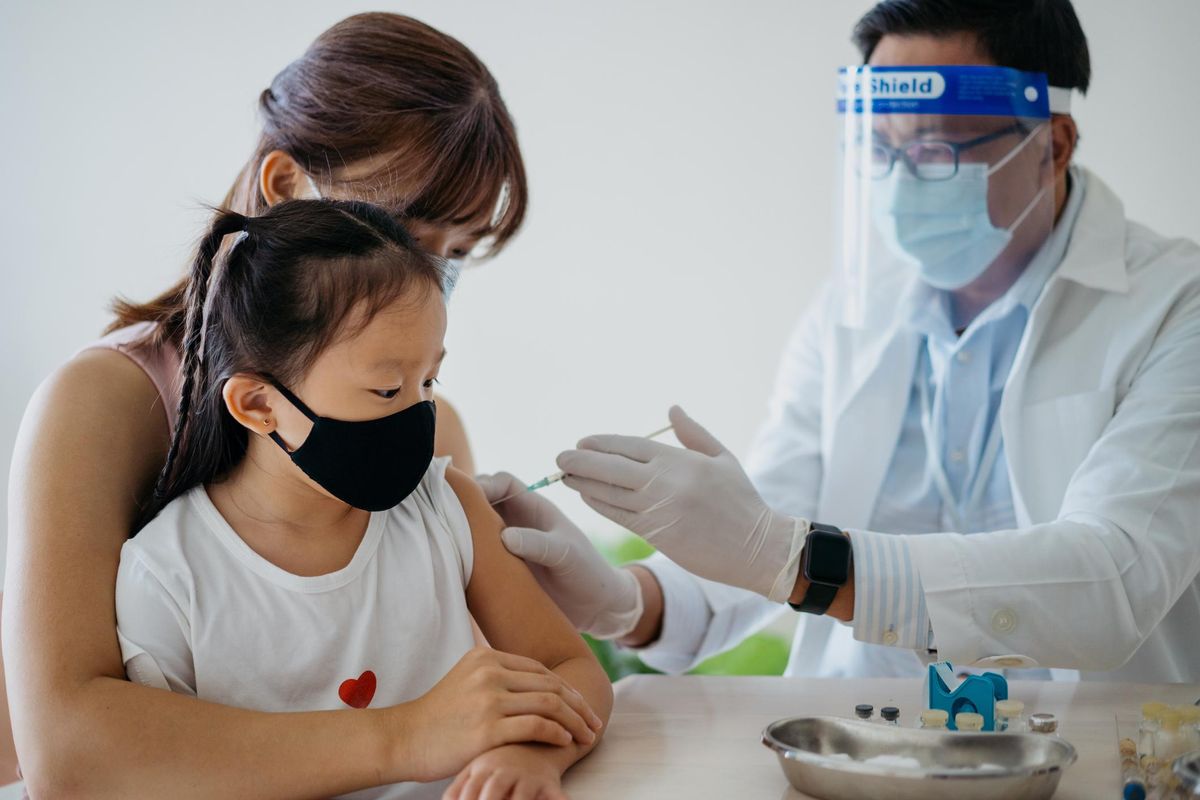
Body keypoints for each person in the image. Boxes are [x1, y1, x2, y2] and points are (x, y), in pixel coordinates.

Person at [484, 0, 1200, 684]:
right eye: (881, 151)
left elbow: (1112, 582)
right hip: (852, 739)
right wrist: (626, 601)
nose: (902, 185)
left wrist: (795, 559)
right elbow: (765, 529)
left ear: (1052, 145)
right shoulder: (851, 312)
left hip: (1089, 750)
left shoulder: (1176, 307)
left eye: (936, 152)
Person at [4, 13, 536, 796]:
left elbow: (497, 705)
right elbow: (68, 752)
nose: (429, 273)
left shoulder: (426, 431)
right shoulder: (104, 407)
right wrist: (401, 735)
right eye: (404, 229)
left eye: (455, 252)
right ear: (286, 187)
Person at [116, 199, 608, 799]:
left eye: (429, 380)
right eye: (385, 388)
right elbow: (155, 774)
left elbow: (571, 668)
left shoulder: (444, 507)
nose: (419, 412)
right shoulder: (169, 577)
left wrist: (534, 754)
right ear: (259, 405)